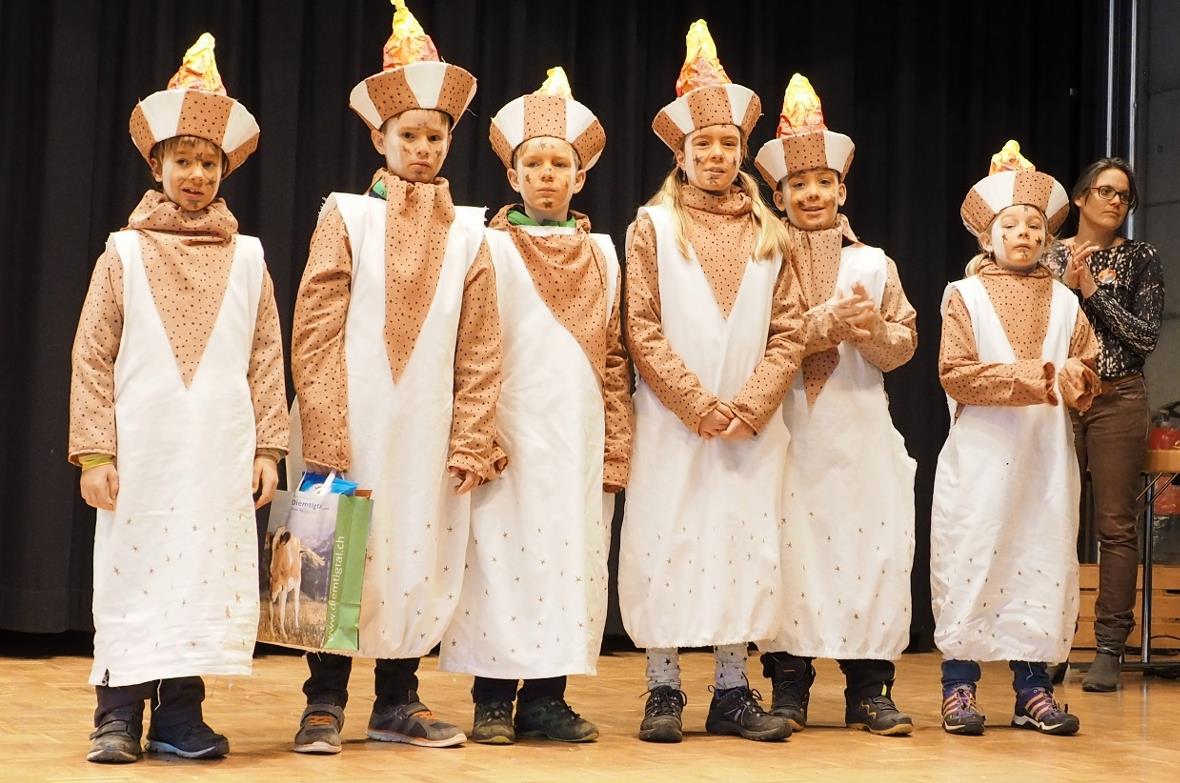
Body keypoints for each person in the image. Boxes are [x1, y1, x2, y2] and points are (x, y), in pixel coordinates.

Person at [287, 0, 499, 754]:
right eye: (407, 135)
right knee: (341, 551)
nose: (421, 148)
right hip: (352, 417)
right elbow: (313, 329)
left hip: (428, 424)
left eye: (434, 137)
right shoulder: (345, 215)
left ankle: (399, 698)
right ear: (379, 137)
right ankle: (323, 698)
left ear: (449, 140)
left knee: (416, 548)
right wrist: (327, 425)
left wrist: (472, 434)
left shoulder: (472, 231)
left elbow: (480, 348)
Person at [70, 33, 288, 763]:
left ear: (224, 169)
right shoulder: (123, 252)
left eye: (207, 162)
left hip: (217, 452)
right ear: (155, 163)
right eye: (181, 160)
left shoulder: (249, 257)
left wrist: (268, 448)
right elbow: (92, 356)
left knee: (200, 572)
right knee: (135, 567)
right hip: (143, 451)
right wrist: (94, 450)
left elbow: (265, 358)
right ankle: (116, 713)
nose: (195, 174)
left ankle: (181, 714)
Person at [618, 19, 803, 744]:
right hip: (673, 417)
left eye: (728, 143)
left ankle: (732, 684)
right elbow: (642, 325)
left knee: (741, 539)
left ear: (743, 151)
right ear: (682, 152)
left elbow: (788, 329)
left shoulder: (770, 229)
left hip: (752, 423)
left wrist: (750, 404)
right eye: (704, 145)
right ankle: (663, 684)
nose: (718, 155)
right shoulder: (653, 226)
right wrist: (697, 403)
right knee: (667, 536)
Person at [439, 67, 632, 745]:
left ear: (580, 177)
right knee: (498, 560)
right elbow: (472, 349)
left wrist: (616, 443)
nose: (547, 175)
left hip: (575, 439)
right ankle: (493, 697)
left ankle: (547, 696)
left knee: (567, 558)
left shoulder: (606, 254)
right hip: (508, 432)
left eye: (560, 164)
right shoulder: (484, 246)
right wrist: (474, 432)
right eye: (534, 164)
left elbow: (613, 357)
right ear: (513, 174)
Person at [753, 73, 918, 736]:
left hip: (858, 430)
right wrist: (816, 327)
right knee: (787, 552)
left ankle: (869, 688)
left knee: (869, 549)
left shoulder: (875, 263)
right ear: (778, 193)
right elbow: (750, 345)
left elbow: (902, 343)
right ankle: (789, 685)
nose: (812, 193)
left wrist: (872, 330)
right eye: (799, 185)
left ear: (842, 190)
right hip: (786, 426)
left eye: (823, 182)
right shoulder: (760, 258)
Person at [932, 141, 1100, 736]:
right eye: (1011, 224)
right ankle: (959, 686)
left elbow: (1085, 366)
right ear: (988, 236)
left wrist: (1081, 381)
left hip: (1046, 458)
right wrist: (1044, 376)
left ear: (1048, 238)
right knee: (973, 559)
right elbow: (956, 374)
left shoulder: (1065, 300)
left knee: (1040, 561)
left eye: (1034, 225)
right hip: (981, 456)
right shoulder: (964, 295)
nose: (1024, 234)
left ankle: (1034, 689)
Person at [1045, 157, 1165, 692]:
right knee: (1053, 521)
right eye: (1105, 190)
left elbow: (1142, 338)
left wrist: (1090, 288)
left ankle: (1110, 648)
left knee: (1115, 526)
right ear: (1079, 198)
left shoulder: (1141, 257)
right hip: (1061, 399)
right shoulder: (1047, 255)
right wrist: (1069, 286)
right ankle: (1047, 644)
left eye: (1125, 195)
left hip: (1118, 399)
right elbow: (1041, 329)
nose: (1115, 201)